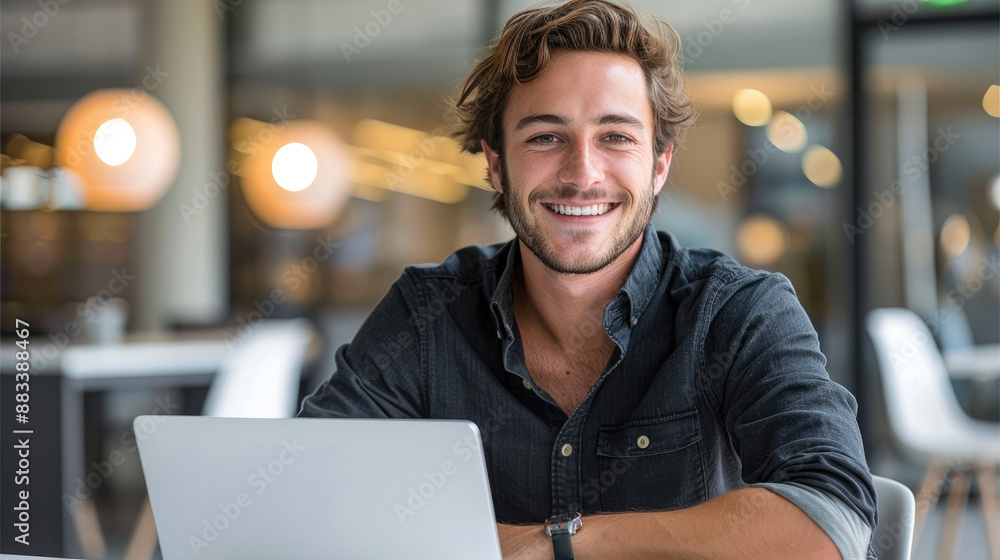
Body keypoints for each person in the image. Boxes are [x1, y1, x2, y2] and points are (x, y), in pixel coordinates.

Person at [299, 1, 876, 558]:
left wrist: (555, 543)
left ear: (659, 165)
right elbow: (308, 490)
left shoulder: (738, 312)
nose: (582, 173)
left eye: (616, 137)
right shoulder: (427, 312)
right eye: (545, 136)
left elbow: (827, 520)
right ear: (496, 164)